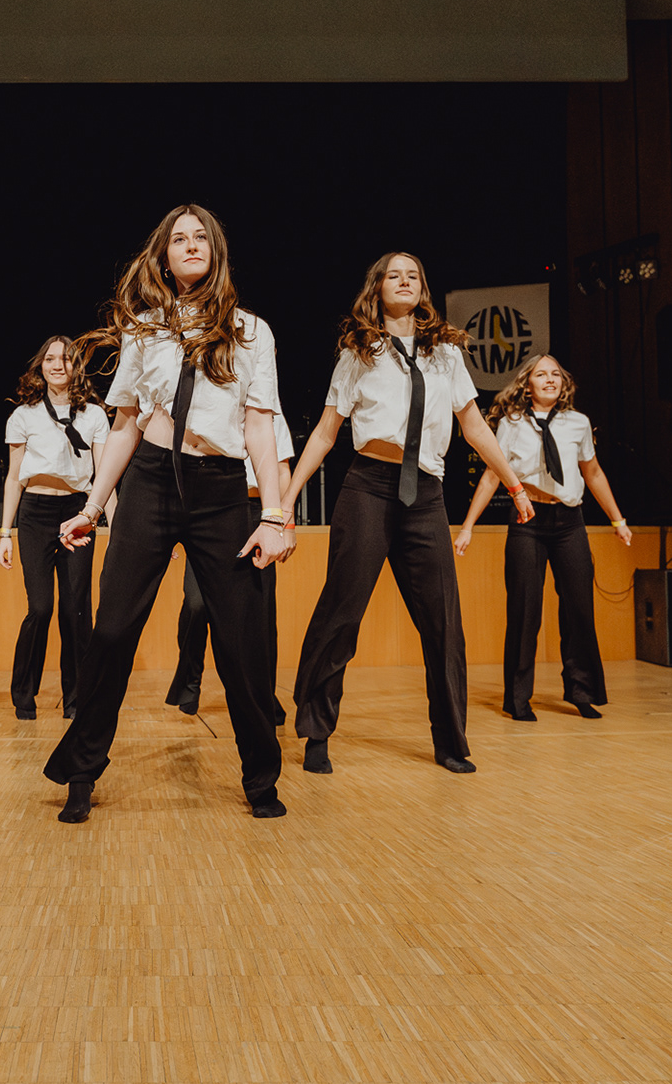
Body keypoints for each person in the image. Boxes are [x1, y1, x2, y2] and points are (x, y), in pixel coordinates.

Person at [45, 204, 294, 824]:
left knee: (241, 644)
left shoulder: (252, 332)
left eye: (200, 237)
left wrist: (274, 514)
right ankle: (81, 771)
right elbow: (125, 423)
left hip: (221, 491)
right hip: (152, 485)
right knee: (111, 631)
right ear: (163, 256)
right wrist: (93, 506)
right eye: (178, 239)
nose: (189, 245)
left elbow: (259, 427)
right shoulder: (144, 330)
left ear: (216, 249)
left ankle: (261, 779)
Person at [283, 253, 535, 775]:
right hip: (368, 488)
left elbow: (474, 427)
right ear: (377, 288)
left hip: (426, 495)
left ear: (423, 289)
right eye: (393, 275)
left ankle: (451, 741)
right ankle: (316, 732)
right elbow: (327, 433)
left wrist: (514, 483)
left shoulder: (446, 354)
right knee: (342, 612)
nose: (404, 281)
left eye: (413, 275)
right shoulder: (358, 351)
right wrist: (286, 500)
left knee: (443, 623)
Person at [464, 353, 630, 721]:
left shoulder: (578, 423)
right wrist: (468, 526)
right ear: (527, 385)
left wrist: (617, 520)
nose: (550, 379)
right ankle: (518, 699)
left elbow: (593, 473)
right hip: (528, 520)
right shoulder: (511, 423)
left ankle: (582, 691)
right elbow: (491, 475)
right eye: (541, 374)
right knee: (525, 611)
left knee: (579, 608)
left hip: (569, 521)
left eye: (556, 374)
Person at [0, 335, 111, 720]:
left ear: (77, 366)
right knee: (41, 607)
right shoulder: (24, 415)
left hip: (78, 512)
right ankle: (23, 693)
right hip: (35, 514)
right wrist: (4, 533)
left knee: (76, 609)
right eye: (50, 358)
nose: (57, 365)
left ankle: (77, 698)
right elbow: (14, 479)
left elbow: (105, 479)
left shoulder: (94, 415)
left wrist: (120, 529)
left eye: (65, 359)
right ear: (40, 366)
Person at [166, 411, 293, 725]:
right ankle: (189, 680)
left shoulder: (270, 414)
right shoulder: (213, 405)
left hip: (257, 513)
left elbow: (282, 471)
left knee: (260, 611)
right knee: (196, 603)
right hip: (211, 511)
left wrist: (282, 523)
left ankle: (264, 695)